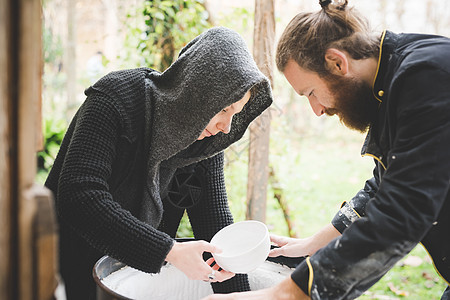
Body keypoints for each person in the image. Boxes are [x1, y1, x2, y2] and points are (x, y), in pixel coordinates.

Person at [203, 0, 450, 299]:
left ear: (337, 62)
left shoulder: (427, 76)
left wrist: (284, 294)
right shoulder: (394, 81)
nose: (317, 109)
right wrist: (313, 243)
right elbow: (385, 187)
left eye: (311, 93)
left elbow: (402, 212)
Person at [45, 27, 273, 300]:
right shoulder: (114, 100)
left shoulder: (207, 142)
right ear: (196, 92)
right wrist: (169, 251)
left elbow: (214, 224)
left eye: (234, 114)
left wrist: (236, 296)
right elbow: (79, 196)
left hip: (134, 269)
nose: (226, 127)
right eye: (223, 109)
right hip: (68, 262)